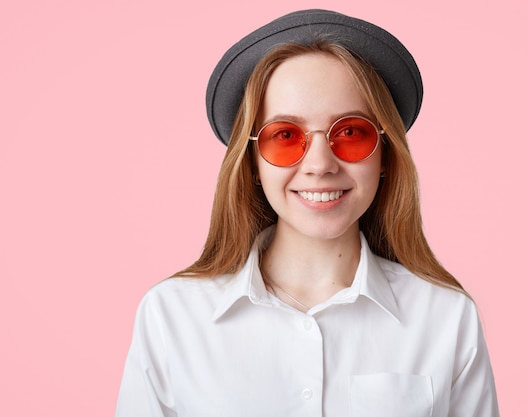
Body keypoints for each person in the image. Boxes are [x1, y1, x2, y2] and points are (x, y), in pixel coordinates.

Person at [115, 9, 500, 417]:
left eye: (351, 132)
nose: (320, 165)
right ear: (251, 164)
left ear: (385, 154)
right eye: (285, 136)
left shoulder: (446, 318)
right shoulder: (171, 317)